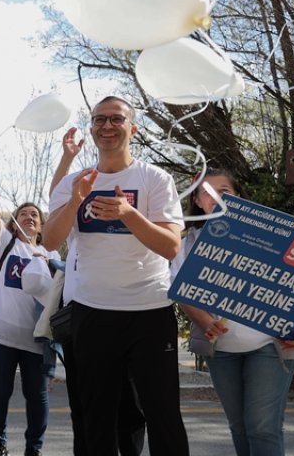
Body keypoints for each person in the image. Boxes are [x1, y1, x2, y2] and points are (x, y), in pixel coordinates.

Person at [42, 96, 187, 455]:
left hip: (150, 309)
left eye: (116, 119)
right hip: (92, 311)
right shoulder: (73, 182)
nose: (107, 126)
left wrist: (128, 214)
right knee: (97, 417)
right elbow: (49, 241)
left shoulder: (155, 178)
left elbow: (170, 246)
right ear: (91, 129)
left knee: (162, 413)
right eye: (99, 120)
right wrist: (76, 200)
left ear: (133, 129)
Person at [172, 169, 294, 456]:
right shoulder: (186, 245)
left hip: (270, 345)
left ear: (239, 197)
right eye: (206, 192)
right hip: (221, 351)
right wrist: (204, 320)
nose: (215, 198)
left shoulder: (270, 235)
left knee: (262, 427)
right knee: (239, 426)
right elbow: (181, 291)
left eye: (224, 191)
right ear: (196, 200)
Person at [0, 155, 59, 456]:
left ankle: (34, 448)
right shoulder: (5, 243)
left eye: (35, 214)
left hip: (37, 339)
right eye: (23, 213)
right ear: (14, 221)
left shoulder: (50, 252)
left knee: (38, 397)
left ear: (42, 224)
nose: (29, 217)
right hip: (1, 336)